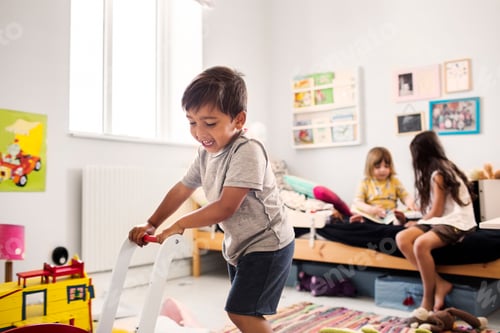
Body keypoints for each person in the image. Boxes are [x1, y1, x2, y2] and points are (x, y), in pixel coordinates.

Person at [128, 66, 295, 333]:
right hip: (240, 245)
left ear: (238, 120)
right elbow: (183, 188)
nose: (199, 131)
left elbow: (226, 207)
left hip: (269, 244)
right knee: (246, 311)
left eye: (210, 123)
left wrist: (181, 223)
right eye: (192, 122)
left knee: (241, 312)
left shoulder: (247, 151)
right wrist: (152, 223)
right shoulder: (205, 154)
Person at [395, 130, 476, 312]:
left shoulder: (440, 173)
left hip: (456, 222)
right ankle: (440, 283)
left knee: (421, 244)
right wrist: (416, 220)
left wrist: (418, 223)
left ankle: (427, 297)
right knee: (402, 238)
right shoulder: (438, 171)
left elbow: (437, 210)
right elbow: (436, 211)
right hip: (441, 219)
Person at [350, 146, 416, 224]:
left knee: (396, 219)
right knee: (356, 209)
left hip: (389, 214)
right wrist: (370, 209)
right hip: (371, 214)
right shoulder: (365, 183)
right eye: (378, 167)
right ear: (370, 168)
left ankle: (400, 220)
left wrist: (410, 203)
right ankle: (360, 221)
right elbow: (358, 201)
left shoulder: (394, 181)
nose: (383, 170)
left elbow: (405, 196)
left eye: (386, 166)